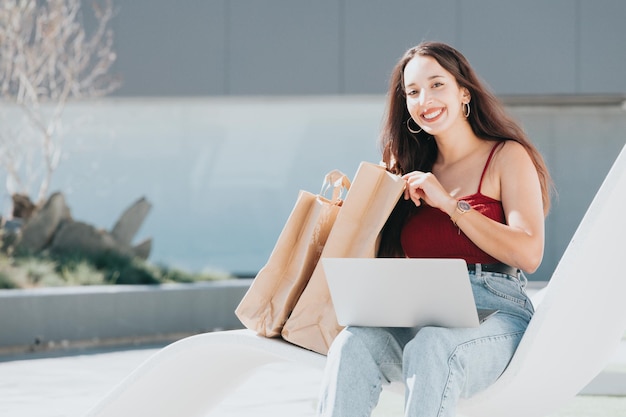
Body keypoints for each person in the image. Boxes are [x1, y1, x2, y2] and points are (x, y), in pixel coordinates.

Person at [316, 41, 553, 417]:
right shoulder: (408, 170)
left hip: (496, 311)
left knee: (432, 346)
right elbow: (386, 262)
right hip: (422, 312)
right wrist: (372, 203)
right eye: (413, 91)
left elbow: (529, 253)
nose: (425, 98)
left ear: (464, 92)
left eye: (437, 84)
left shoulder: (506, 155)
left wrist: (450, 205)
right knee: (352, 344)